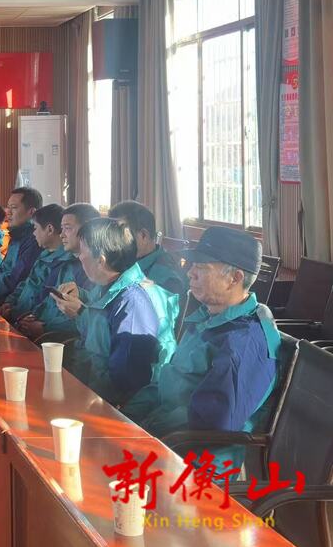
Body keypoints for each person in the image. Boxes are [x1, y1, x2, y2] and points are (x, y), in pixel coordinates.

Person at [124, 227, 280, 472]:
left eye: (202, 267)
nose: (190, 273)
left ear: (235, 278)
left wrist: (142, 431)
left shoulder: (243, 343)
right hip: (165, 439)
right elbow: (168, 384)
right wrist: (125, 418)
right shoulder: (208, 318)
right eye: (192, 265)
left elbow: (211, 423)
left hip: (194, 464)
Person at [67, 218, 179, 406]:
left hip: (120, 406)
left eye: (82, 251)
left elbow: (124, 380)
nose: (79, 257)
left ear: (101, 260)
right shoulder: (110, 286)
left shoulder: (133, 303)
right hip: (94, 389)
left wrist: (79, 400)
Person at [0, 204, 69, 339]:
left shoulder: (65, 264)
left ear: (49, 229)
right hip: (20, 319)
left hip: (35, 328)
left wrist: (22, 317)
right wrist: (9, 302)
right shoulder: (44, 255)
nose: (33, 233)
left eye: (35, 228)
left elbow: (43, 299)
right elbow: (26, 284)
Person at [36, 203, 101, 338]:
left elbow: (83, 317)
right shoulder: (67, 264)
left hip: (61, 339)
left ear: (88, 230)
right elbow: (51, 302)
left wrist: (44, 327)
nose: (61, 235)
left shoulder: (97, 269)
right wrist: (33, 317)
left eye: (68, 228)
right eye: (62, 229)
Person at [108, 200, 187, 298]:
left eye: (119, 235)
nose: (112, 242)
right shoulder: (122, 261)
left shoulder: (166, 279)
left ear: (143, 235)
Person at [0, 187, 43, 303]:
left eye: (13, 207)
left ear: (32, 212)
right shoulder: (17, 234)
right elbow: (2, 270)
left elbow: (16, 278)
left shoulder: (34, 240)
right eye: (8, 207)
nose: (8, 212)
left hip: (10, 303)